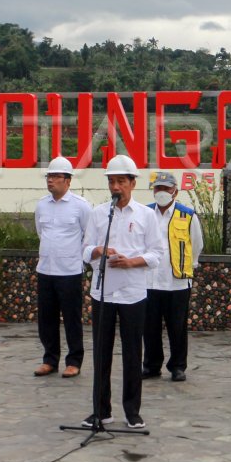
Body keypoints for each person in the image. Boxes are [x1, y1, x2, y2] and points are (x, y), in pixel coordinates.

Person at [80, 154, 164, 429]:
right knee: (101, 354)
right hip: (103, 292)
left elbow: (157, 253)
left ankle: (132, 411)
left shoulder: (146, 215)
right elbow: (84, 250)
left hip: (133, 293)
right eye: (111, 181)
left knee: (131, 354)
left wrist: (131, 262)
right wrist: (98, 250)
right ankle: (101, 411)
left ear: (132, 183)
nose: (115, 187)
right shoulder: (98, 213)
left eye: (120, 181)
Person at [33, 156, 91, 379]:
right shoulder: (42, 205)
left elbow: (88, 236)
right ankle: (50, 359)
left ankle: (74, 361)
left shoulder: (81, 206)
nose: (51, 181)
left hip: (70, 271)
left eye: (56, 176)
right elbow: (41, 232)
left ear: (68, 180)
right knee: (46, 319)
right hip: (46, 269)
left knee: (71, 318)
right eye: (49, 176)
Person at [142, 171, 203, 383]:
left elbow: (196, 245)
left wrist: (188, 267)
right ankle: (151, 365)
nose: (162, 192)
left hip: (176, 281)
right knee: (149, 327)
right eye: (158, 188)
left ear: (175, 191)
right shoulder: (145, 213)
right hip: (149, 281)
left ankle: (177, 367)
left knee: (177, 327)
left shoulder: (187, 215)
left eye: (166, 189)